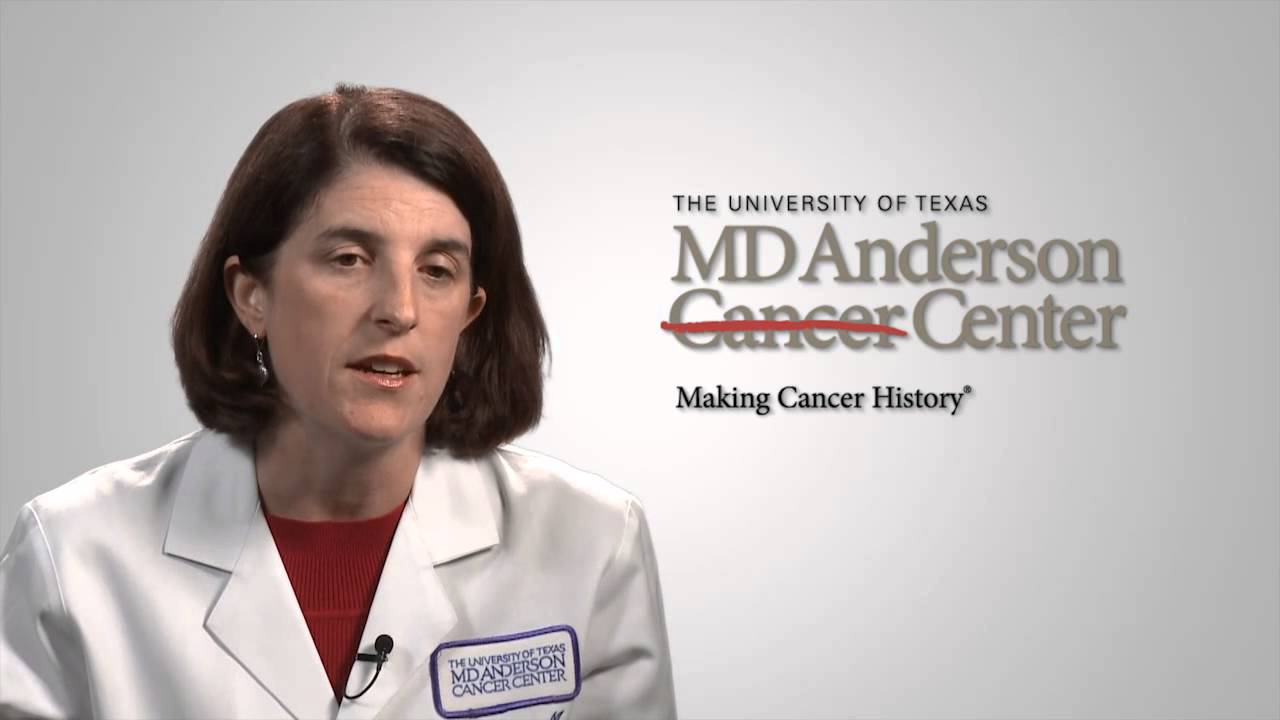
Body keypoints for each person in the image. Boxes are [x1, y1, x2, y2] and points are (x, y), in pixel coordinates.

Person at [0, 84, 677, 720]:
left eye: (437, 271)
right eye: (350, 259)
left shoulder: (592, 544)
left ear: (469, 314)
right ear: (251, 295)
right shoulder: (75, 555)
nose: (400, 310)